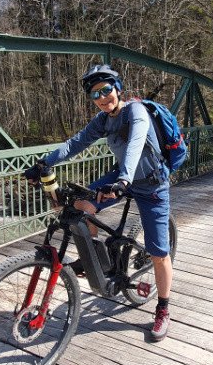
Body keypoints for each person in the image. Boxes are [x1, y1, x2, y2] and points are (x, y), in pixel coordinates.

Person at [26, 64, 174, 342]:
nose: (102, 97)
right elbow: (75, 143)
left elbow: (136, 145)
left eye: (106, 90)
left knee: (159, 252)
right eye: (96, 94)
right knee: (82, 206)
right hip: (122, 177)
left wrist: (124, 180)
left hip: (152, 183)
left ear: (118, 89)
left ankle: (163, 309)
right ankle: (95, 259)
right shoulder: (103, 120)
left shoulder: (136, 112)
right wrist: (44, 163)